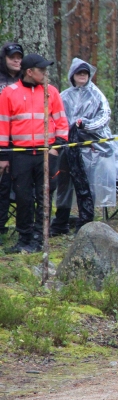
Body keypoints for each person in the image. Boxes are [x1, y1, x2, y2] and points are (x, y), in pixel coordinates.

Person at [0, 53, 68, 253]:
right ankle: (24, 239)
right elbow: (3, 125)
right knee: (22, 196)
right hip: (20, 154)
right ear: (30, 72)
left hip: (46, 154)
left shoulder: (52, 92)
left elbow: (62, 122)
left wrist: (56, 148)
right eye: (42, 70)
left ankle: (39, 238)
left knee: (45, 195)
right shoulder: (9, 93)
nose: (46, 73)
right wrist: (3, 156)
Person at [51, 58, 115, 235]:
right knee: (64, 183)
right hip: (66, 145)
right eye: (79, 73)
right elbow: (55, 117)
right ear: (73, 75)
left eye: (85, 73)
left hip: (89, 148)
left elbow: (104, 117)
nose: (82, 76)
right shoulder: (64, 95)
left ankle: (85, 222)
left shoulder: (96, 95)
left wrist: (85, 125)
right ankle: (60, 222)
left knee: (86, 185)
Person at [0, 42, 23, 236]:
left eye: (19, 57)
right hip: (2, 141)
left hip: (21, 142)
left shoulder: (27, 79)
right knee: (2, 188)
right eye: (12, 57)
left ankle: (25, 230)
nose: (16, 60)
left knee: (23, 188)